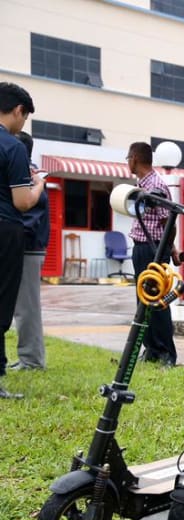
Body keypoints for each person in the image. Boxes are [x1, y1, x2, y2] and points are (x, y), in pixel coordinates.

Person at [0, 82, 44, 399]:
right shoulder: (12, 147)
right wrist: (39, 186)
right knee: (3, 304)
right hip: (5, 230)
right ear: (18, 111)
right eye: (24, 117)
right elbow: (23, 202)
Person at [126, 141, 179, 367]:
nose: (128, 162)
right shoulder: (142, 185)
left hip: (153, 248)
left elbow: (169, 222)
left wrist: (167, 249)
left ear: (135, 159)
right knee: (143, 301)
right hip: (142, 247)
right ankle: (152, 349)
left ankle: (167, 352)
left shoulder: (155, 185)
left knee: (156, 300)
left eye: (128, 158)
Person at [10, 130, 49, 370]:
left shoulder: (29, 175)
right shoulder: (26, 173)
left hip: (27, 247)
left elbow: (28, 215)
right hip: (24, 245)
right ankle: (28, 357)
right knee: (21, 307)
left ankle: (32, 360)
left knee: (27, 308)